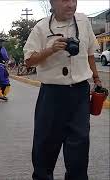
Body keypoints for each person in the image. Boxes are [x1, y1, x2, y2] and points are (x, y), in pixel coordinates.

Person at [23, 0, 102, 179]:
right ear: (52, 2)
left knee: (79, 146)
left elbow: (90, 53)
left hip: (80, 93)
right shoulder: (41, 27)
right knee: (45, 146)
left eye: (74, 0)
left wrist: (96, 79)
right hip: (52, 95)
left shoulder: (83, 22)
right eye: (65, 0)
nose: (71, 5)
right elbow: (28, 60)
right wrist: (50, 50)